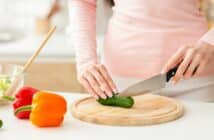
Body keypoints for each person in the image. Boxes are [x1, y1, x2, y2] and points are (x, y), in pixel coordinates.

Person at [69, 0, 214, 100]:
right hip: (120, 83)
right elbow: (83, 2)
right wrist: (86, 61)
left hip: (194, 78)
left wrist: (210, 42)